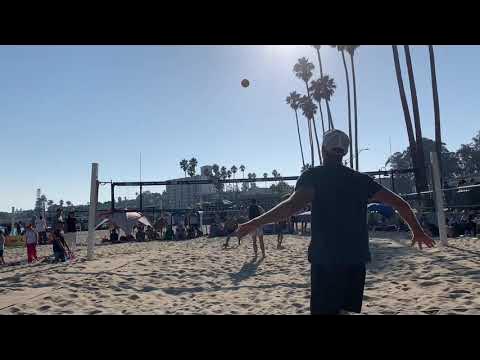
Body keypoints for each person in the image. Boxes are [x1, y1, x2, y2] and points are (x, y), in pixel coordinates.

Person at [237, 129, 434, 315]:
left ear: (323, 149)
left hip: (327, 257)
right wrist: (416, 230)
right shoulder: (361, 180)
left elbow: (290, 207)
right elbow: (401, 204)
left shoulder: (314, 176)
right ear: (345, 152)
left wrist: (254, 222)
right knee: (344, 310)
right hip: (356, 257)